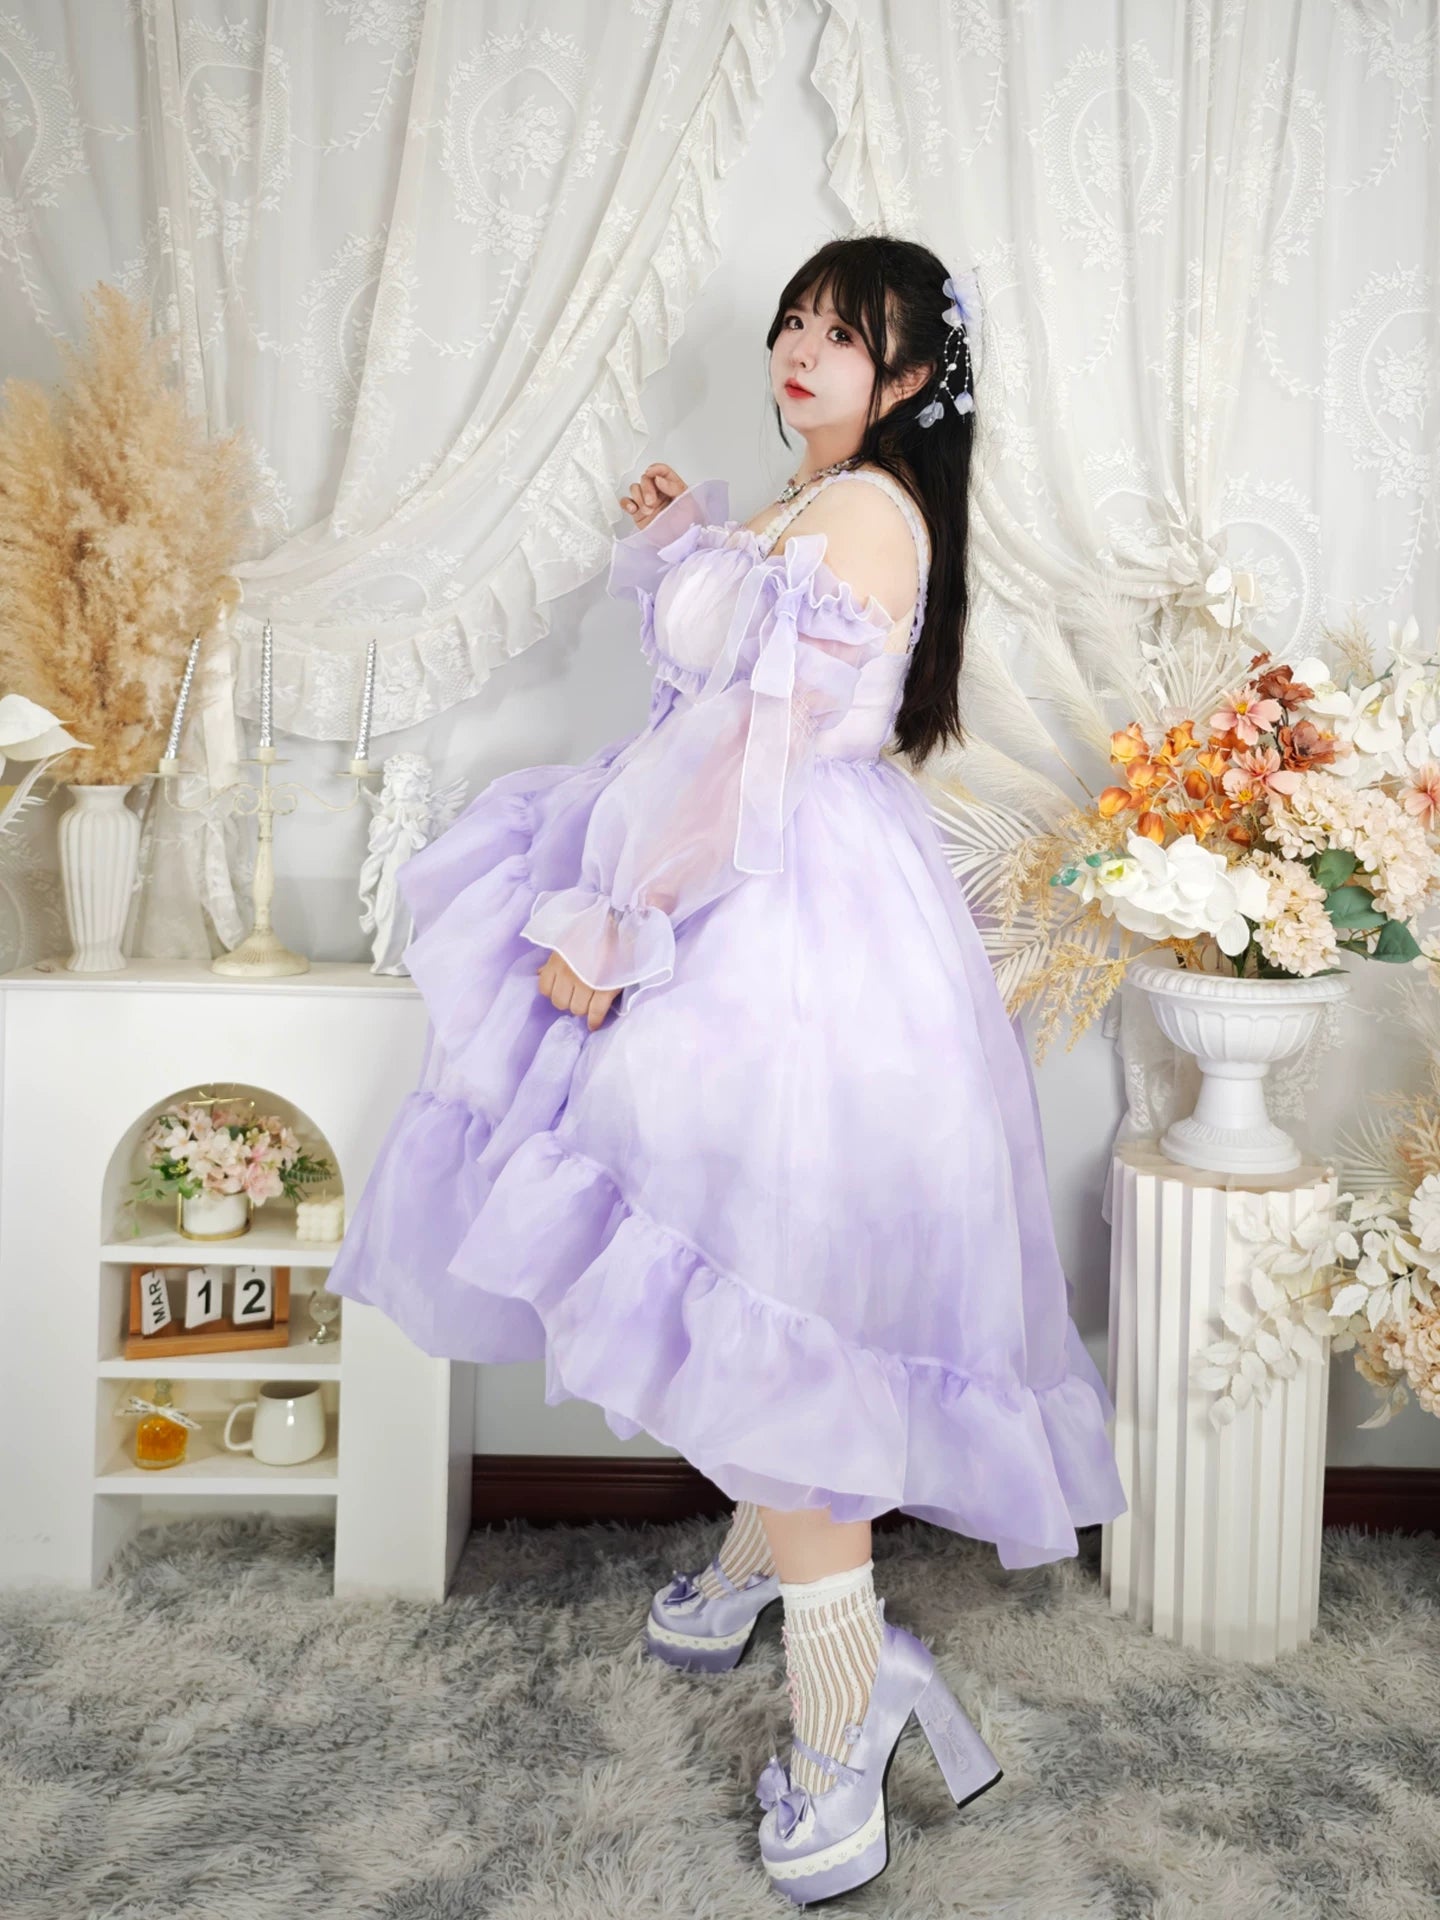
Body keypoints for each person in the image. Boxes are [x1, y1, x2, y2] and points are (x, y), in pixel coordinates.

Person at [325, 233, 1126, 1906]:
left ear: (912, 378)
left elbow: (758, 751)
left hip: (772, 911)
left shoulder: (864, 512)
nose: (800, 350)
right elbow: (720, 692)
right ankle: (771, 1555)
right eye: (796, 322)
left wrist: (619, 922)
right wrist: (688, 543)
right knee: (733, 1253)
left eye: (845, 334)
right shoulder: (813, 500)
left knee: (756, 1261)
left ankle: (849, 1712)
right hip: (752, 888)